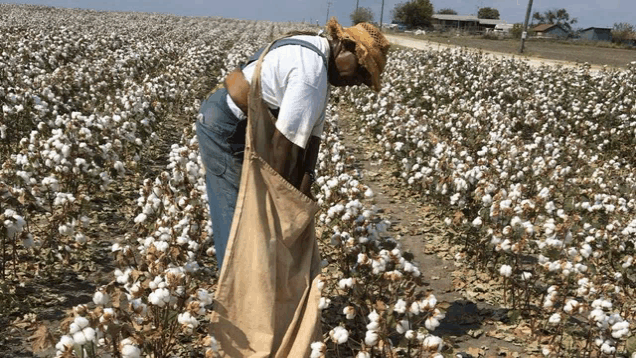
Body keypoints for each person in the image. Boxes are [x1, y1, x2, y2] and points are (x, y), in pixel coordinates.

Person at [196, 17, 390, 270]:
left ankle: (253, 281)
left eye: (365, 79)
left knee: (252, 213)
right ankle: (237, 291)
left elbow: (311, 141)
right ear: (345, 46)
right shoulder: (310, 73)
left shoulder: (317, 59)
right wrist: (282, 204)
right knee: (238, 215)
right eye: (361, 70)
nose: (357, 81)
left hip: (241, 121)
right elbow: (283, 146)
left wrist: (304, 189)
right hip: (225, 125)